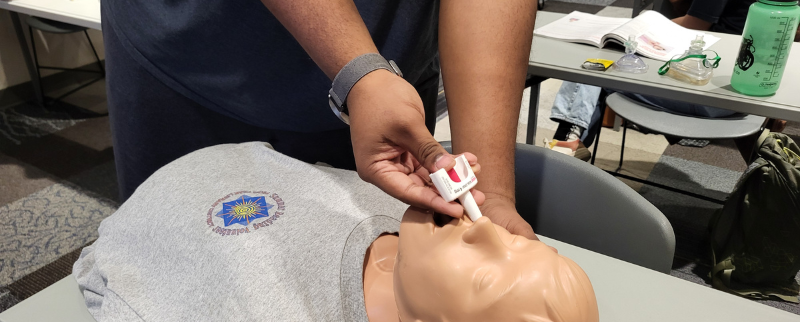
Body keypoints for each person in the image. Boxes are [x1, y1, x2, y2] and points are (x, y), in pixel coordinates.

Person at [55, 142, 600, 322]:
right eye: (516, 243)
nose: (486, 231)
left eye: (485, 276)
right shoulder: (401, 209)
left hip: (133, 237)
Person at [102, 0, 538, 239]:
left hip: (385, 88)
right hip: (197, 61)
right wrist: (360, 75)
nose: (485, 246)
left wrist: (492, 195)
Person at [548, 0, 756, 153]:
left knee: (594, 70)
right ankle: (568, 146)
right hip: (736, 90)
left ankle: (565, 148)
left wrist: (637, 29)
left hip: (708, 93)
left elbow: (695, 25)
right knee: (599, 71)